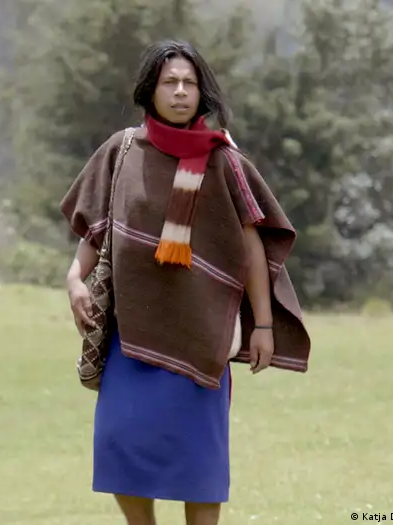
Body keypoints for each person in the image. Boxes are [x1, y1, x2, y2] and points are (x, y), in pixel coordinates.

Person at [60, 40, 312, 525]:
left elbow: (251, 251)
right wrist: (75, 279)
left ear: (202, 93)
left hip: (202, 339)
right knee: (118, 446)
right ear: (150, 91)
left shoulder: (224, 162)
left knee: (199, 465)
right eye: (169, 82)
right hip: (130, 338)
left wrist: (263, 325)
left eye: (189, 83)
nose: (179, 92)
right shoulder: (122, 150)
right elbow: (96, 230)